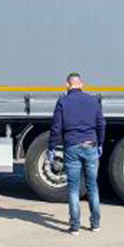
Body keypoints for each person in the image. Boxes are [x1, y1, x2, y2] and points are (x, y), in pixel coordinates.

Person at [49, 72, 104, 234]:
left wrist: (52, 147)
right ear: (82, 84)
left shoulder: (63, 102)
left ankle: (75, 226)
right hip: (91, 145)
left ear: (67, 85)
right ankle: (95, 224)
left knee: (73, 187)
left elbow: (56, 127)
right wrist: (100, 143)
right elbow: (101, 124)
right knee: (92, 186)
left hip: (71, 146)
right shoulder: (93, 101)